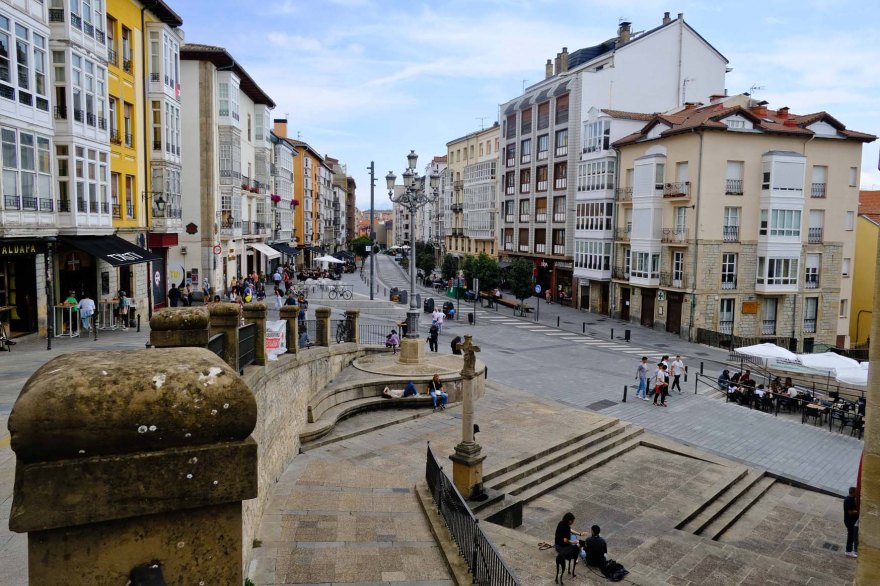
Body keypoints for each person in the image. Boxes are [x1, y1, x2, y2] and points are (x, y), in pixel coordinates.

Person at [844, 486, 859, 558]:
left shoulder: (852, 498)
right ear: (852, 493)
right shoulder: (848, 500)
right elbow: (850, 512)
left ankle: (851, 550)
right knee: (851, 536)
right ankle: (848, 551)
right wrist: (858, 511)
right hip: (849, 521)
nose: (857, 493)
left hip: (852, 520)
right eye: (856, 492)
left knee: (852, 535)